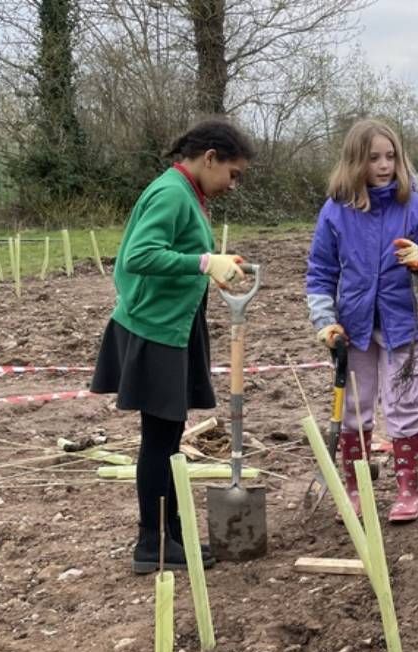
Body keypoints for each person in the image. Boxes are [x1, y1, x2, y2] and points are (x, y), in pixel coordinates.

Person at [91, 118, 253, 574]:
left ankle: (172, 535)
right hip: (154, 331)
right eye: (233, 173)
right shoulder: (171, 193)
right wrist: (205, 261)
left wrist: (215, 263)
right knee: (160, 442)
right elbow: (139, 255)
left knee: (167, 440)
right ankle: (153, 543)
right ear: (209, 158)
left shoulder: (185, 192)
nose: (234, 184)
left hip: (171, 328)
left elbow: (176, 253)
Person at [306, 119, 418, 523]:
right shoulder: (336, 211)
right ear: (356, 162)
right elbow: (320, 270)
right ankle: (356, 488)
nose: (384, 165)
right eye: (373, 158)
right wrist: (324, 320)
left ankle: (408, 489)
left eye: (390, 156)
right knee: (354, 406)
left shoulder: (417, 208)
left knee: (404, 407)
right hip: (353, 329)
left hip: (404, 327)